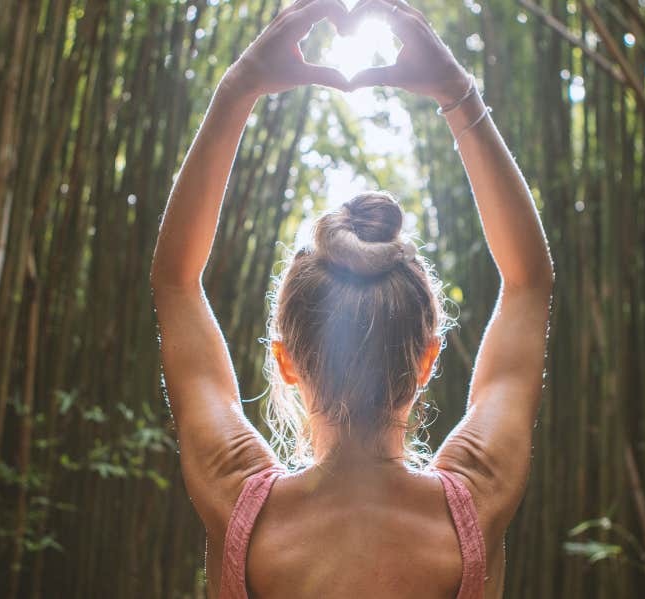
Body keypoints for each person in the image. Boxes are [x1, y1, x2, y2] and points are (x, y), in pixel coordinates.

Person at [150, 0, 554, 596]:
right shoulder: (472, 504)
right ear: (427, 357)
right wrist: (456, 93)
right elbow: (528, 282)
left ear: (286, 361)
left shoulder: (242, 505)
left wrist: (238, 90)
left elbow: (176, 281)